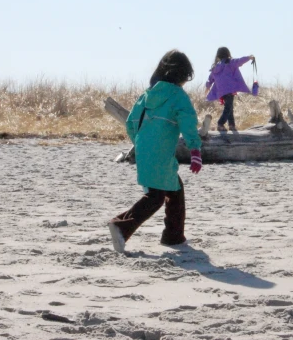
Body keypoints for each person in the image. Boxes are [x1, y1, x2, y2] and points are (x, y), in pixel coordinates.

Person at [108, 50, 204, 253]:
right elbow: (188, 122)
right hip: (160, 151)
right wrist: (195, 150)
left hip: (144, 148)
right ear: (182, 75)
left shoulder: (147, 94)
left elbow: (131, 122)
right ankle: (121, 226)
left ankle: (174, 236)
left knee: (174, 189)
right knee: (156, 196)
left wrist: (141, 144)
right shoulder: (178, 96)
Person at [205, 47, 255, 132]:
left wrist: (207, 87)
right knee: (228, 107)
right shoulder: (230, 63)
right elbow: (239, 61)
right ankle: (220, 123)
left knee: (230, 107)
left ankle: (232, 125)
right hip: (229, 89)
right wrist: (249, 57)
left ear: (218, 56)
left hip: (221, 90)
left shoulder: (216, 67)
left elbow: (210, 78)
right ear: (228, 54)